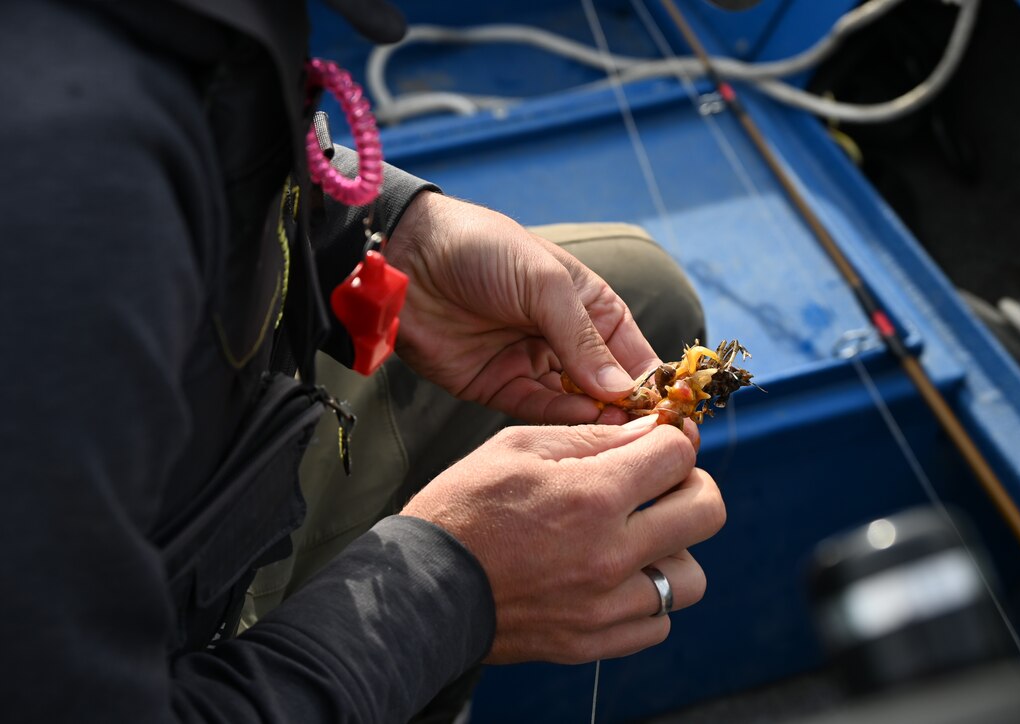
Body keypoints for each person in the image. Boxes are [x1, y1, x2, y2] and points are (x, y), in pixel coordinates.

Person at [0, 1, 726, 722]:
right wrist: (450, 591)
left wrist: (381, 228)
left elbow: (216, 148)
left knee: (642, 294)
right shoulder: (63, 180)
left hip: (197, 496)